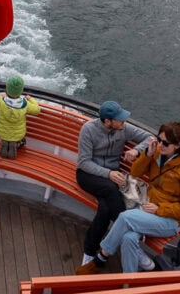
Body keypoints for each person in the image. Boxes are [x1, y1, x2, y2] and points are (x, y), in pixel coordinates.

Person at [76, 121, 180, 274]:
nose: (160, 145)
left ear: (178, 145)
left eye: (165, 143)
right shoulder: (156, 153)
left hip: (169, 220)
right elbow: (135, 172)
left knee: (124, 217)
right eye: (159, 140)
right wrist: (147, 155)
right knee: (128, 238)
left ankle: (101, 258)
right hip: (146, 208)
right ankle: (129, 281)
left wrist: (160, 209)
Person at [75, 100, 153, 265]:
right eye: (120, 119)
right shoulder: (88, 130)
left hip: (112, 177)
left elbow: (149, 138)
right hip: (88, 174)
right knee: (111, 189)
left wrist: (135, 150)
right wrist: (108, 173)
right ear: (107, 121)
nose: (124, 122)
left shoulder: (123, 128)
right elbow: (84, 162)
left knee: (106, 208)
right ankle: (131, 233)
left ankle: (89, 251)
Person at [0, 74, 41, 157]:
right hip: (18, 135)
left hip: (3, 134)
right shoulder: (25, 103)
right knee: (19, 138)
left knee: (6, 136)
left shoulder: (0, 101)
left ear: (7, 89)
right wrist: (31, 99)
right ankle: (16, 144)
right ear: (20, 91)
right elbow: (37, 110)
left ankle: (5, 143)